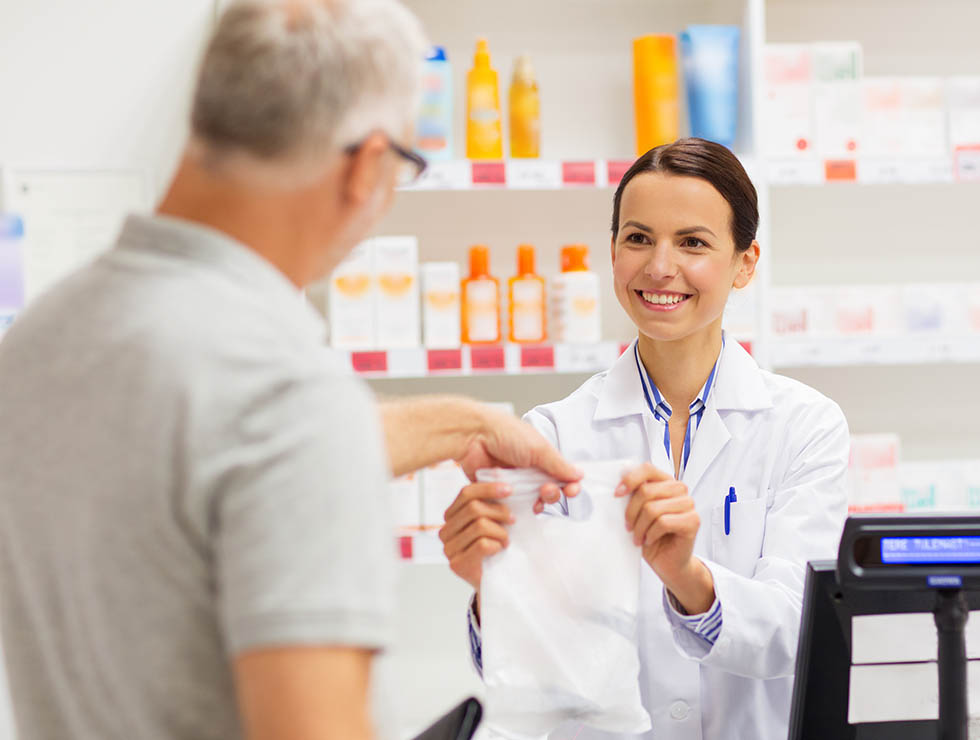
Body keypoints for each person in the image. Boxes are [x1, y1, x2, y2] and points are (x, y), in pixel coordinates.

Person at [0, 2, 577, 740]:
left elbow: (207, 451)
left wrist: (467, 423)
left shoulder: (43, 336)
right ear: (367, 165)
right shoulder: (287, 395)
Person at [441, 137, 850, 739]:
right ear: (613, 252)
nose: (660, 266)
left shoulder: (804, 426)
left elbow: (799, 631)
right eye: (638, 238)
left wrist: (686, 574)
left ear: (745, 263)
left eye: (693, 242)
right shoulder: (552, 435)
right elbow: (537, 679)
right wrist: (492, 589)